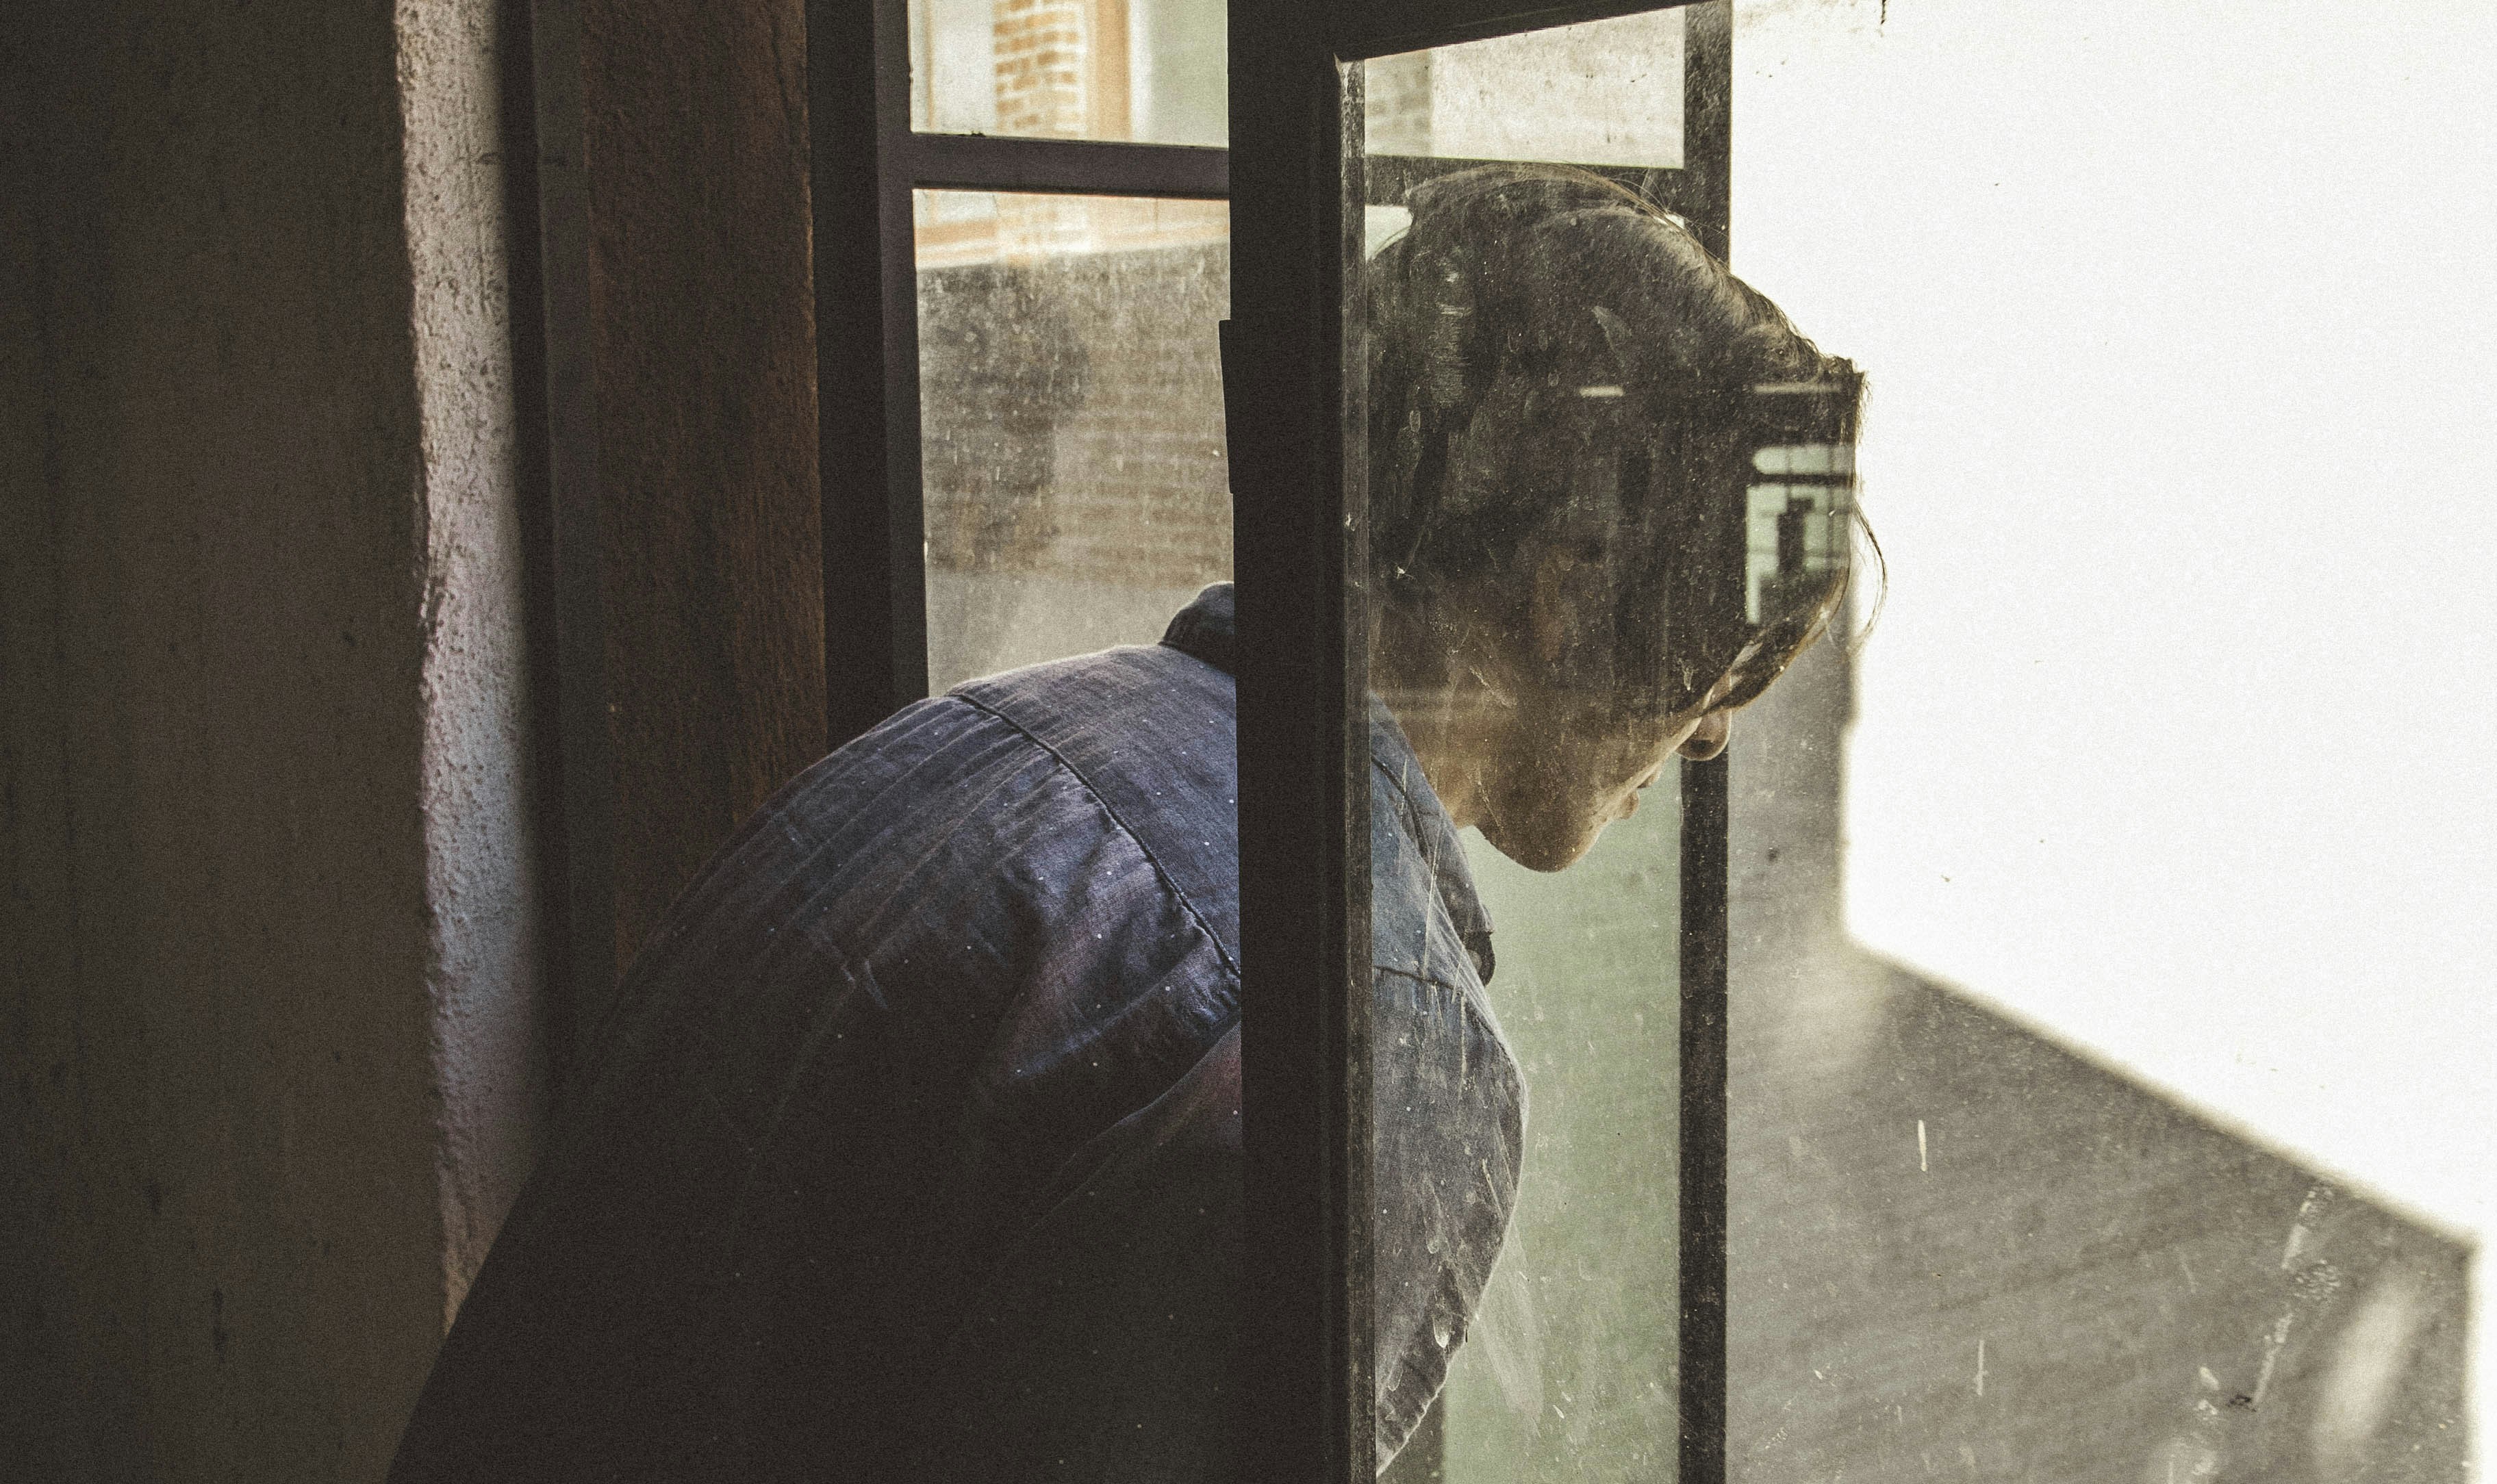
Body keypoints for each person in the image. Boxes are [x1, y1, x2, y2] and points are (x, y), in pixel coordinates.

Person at [387, 164, 1861, 1482]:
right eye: (1718, 660)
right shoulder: (1357, 1024)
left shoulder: (988, 741)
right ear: (1573, 577)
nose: (1714, 726)